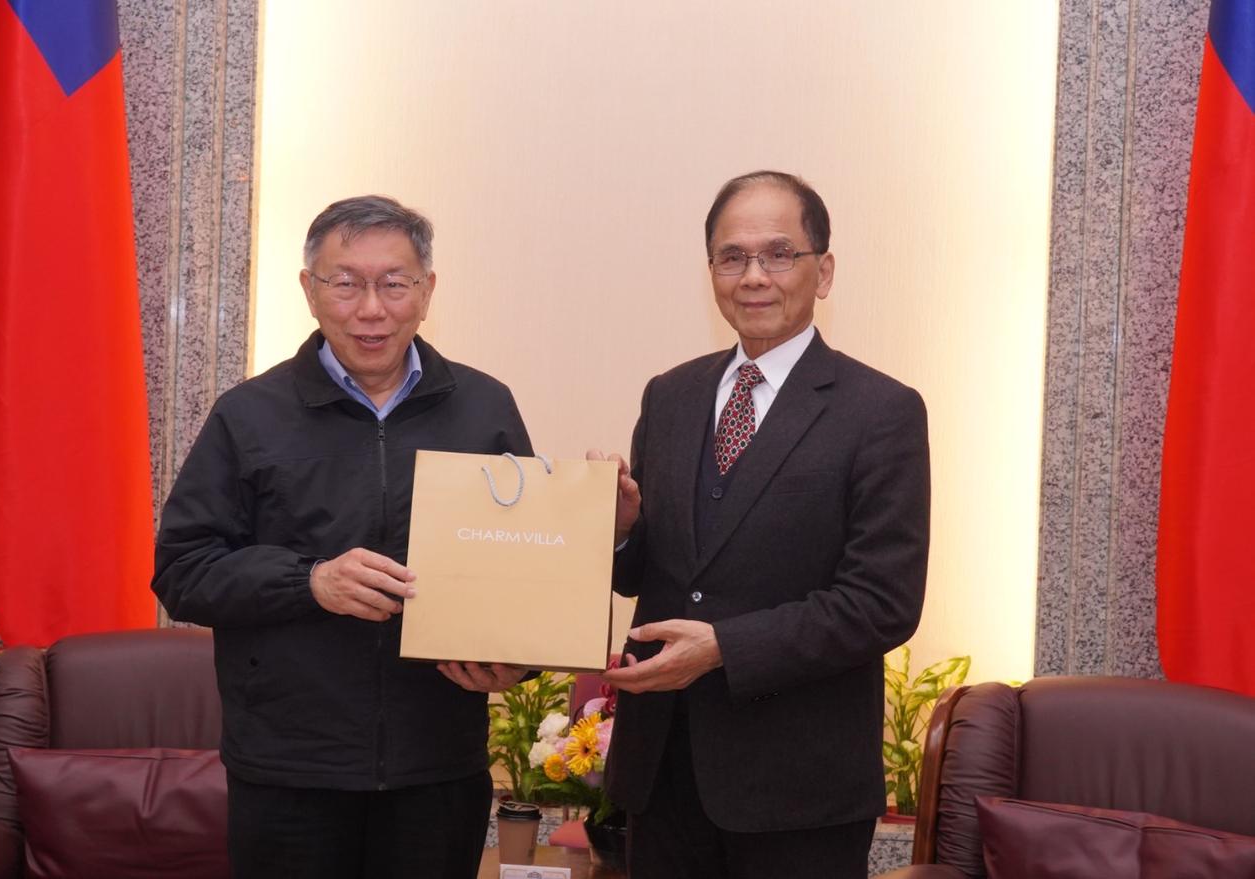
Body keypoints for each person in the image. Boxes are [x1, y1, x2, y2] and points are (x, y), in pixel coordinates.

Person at [152, 195, 533, 879]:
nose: (371, 309)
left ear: (427, 291)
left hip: (437, 769)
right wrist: (309, 581)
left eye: (395, 283)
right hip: (289, 772)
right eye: (346, 282)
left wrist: (516, 662)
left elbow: (522, 566)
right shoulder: (248, 415)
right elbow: (182, 569)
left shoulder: (485, 409)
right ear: (310, 290)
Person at [592, 170, 930, 878]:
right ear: (711, 271)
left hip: (798, 788)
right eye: (732, 257)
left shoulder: (881, 411)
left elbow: (882, 603)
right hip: (663, 773)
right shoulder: (672, 394)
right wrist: (622, 528)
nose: (753, 276)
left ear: (823, 271)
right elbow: (645, 572)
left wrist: (724, 648)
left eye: (779, 254)